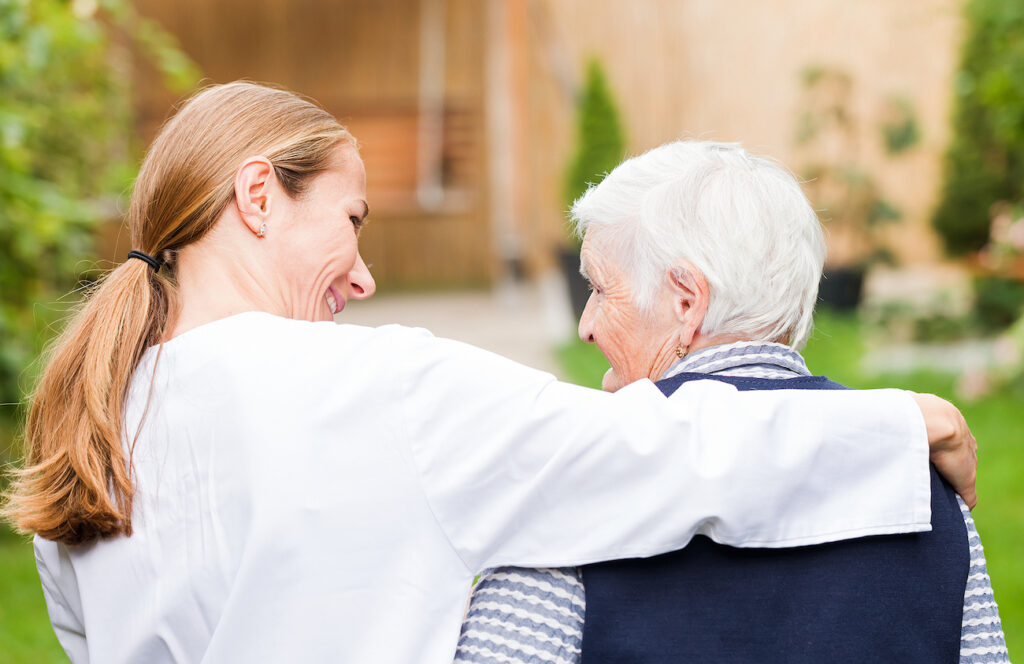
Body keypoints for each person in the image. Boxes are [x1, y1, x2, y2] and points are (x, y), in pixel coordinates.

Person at [0, 83, 977, 663]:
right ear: (259, 195)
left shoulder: (85, 444)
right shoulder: (372, 390)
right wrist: (905, 424)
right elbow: (661, 446)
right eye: (352, 221)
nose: (366, 272)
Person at [456, 141, 1007, 664]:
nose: (586, 325)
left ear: (687, 300)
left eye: (599, 289)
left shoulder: (577, 479)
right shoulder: (921, 479)